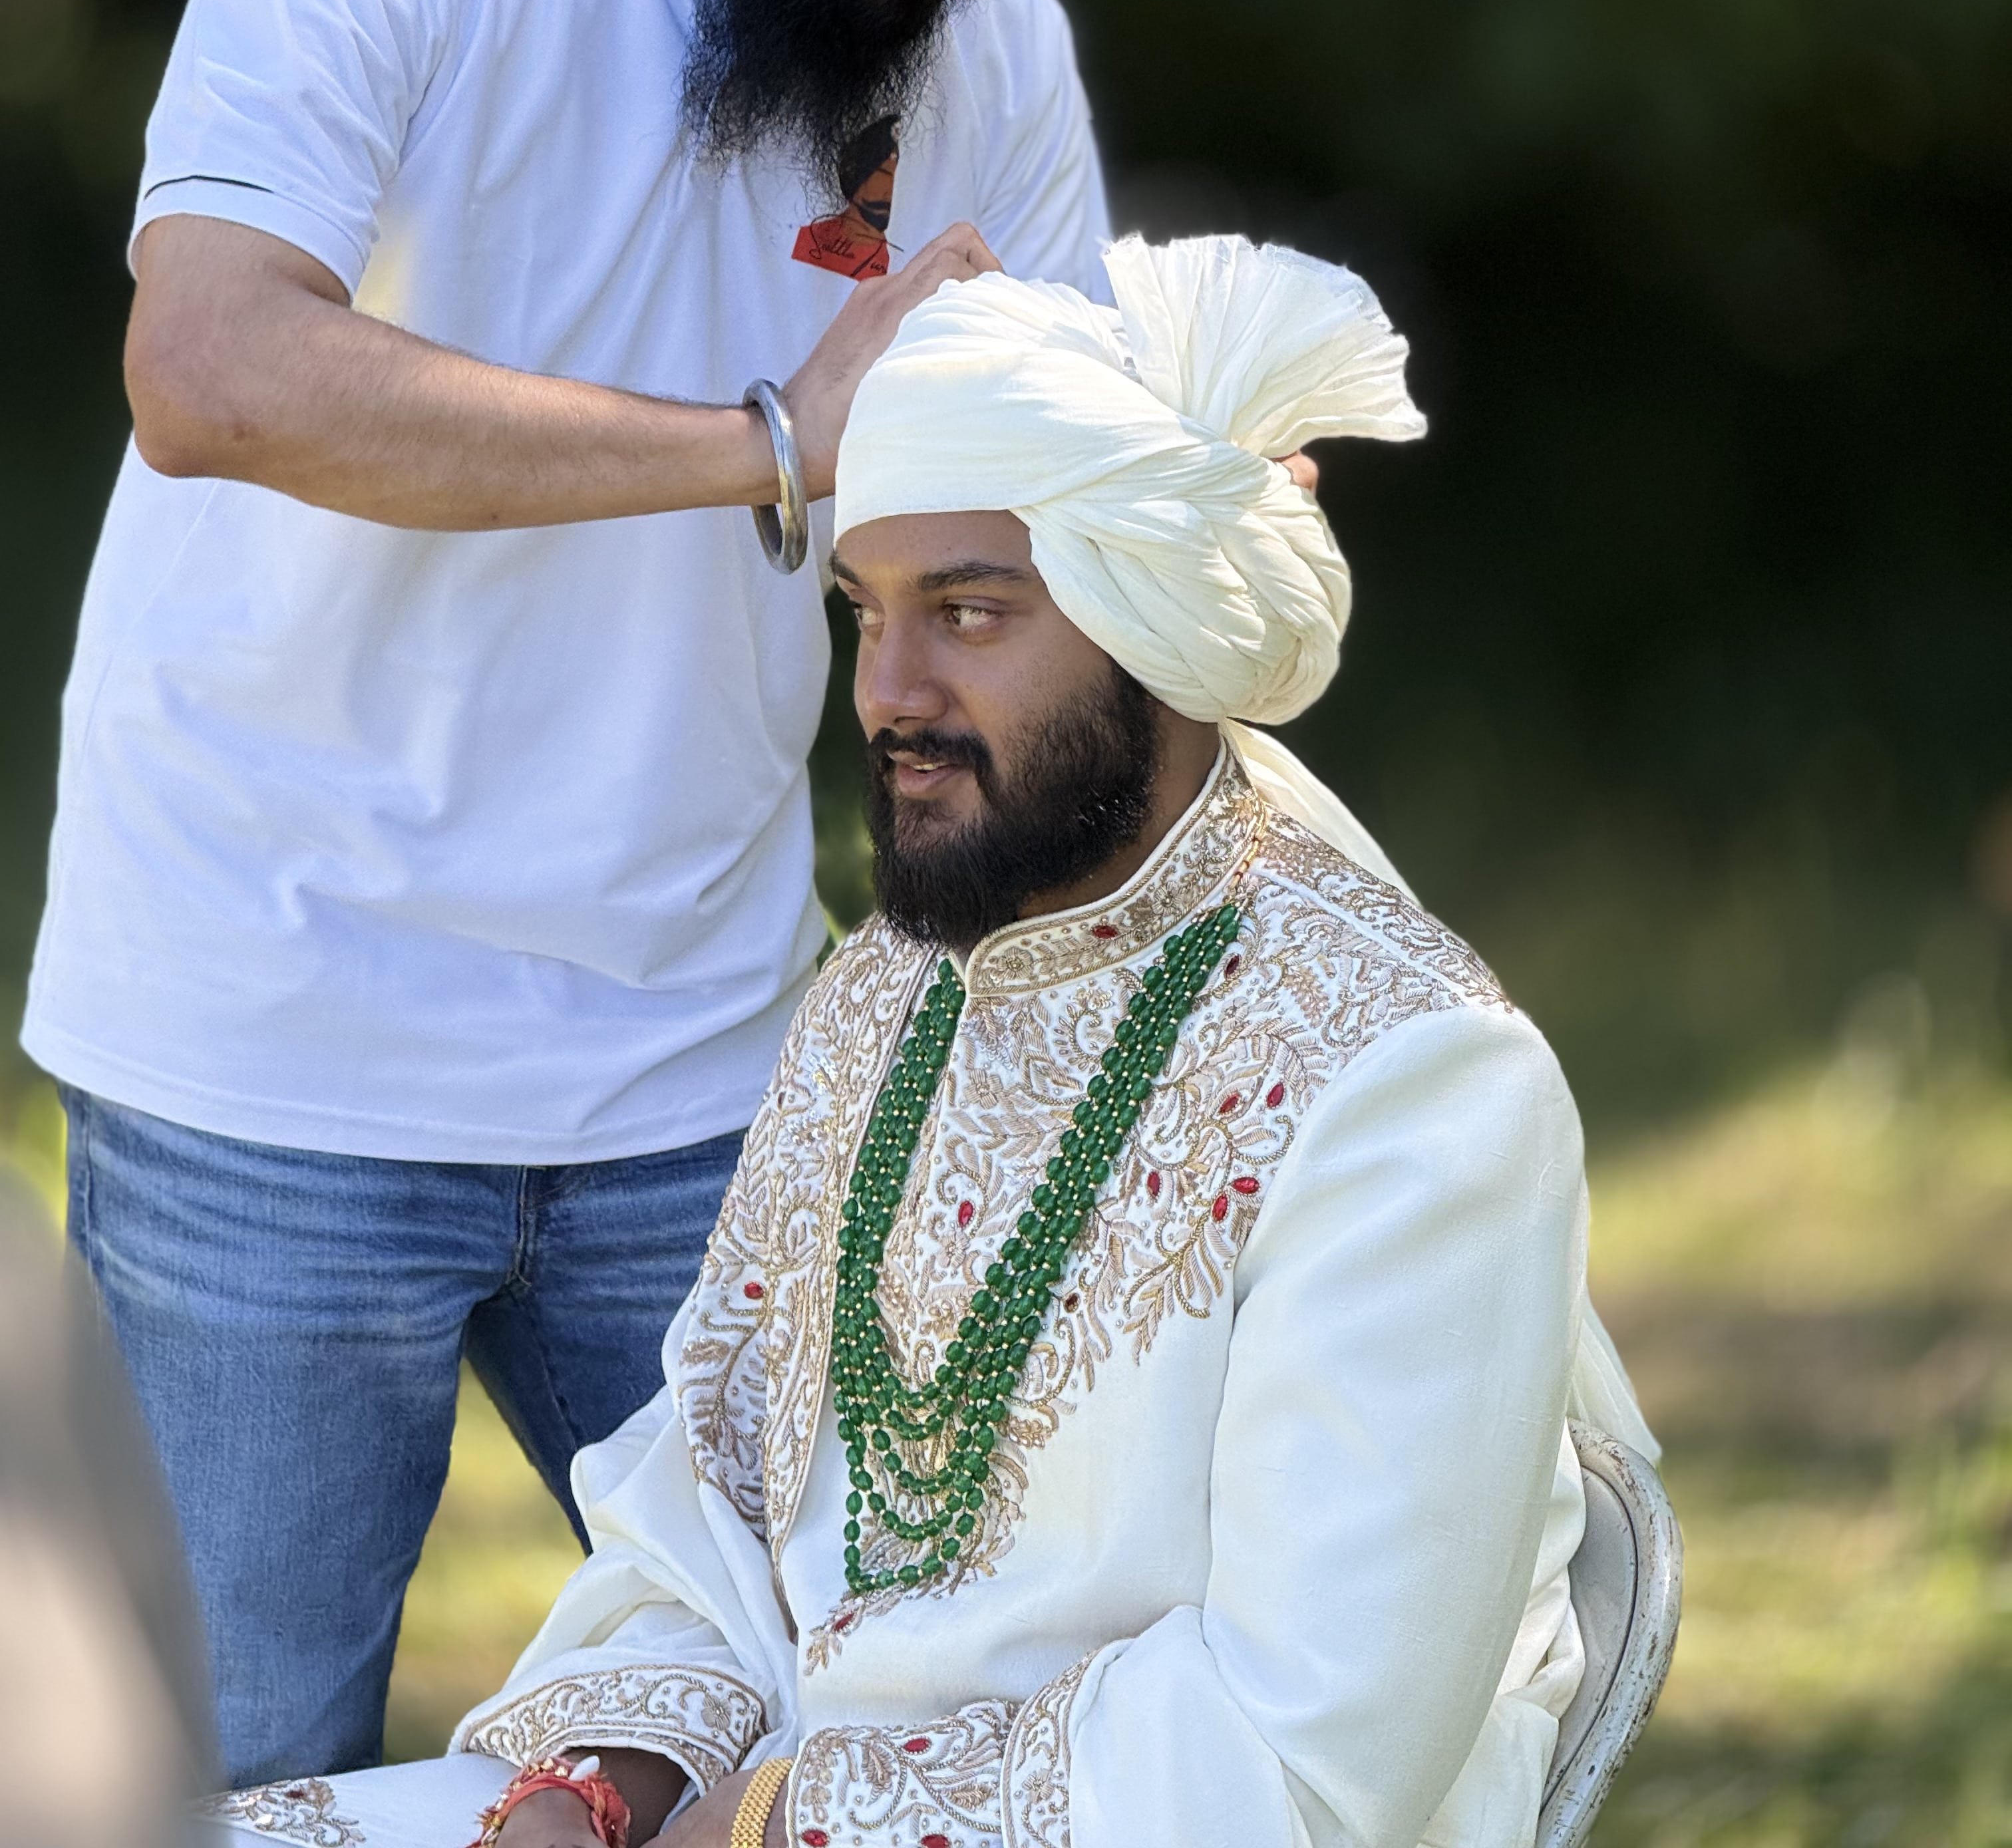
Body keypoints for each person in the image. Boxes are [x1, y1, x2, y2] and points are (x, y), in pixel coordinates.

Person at [18, 0, 1297, 1788]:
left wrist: (1180, 525)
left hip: (716, 1063)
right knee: (225, 1781)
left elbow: (1019, 521)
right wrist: (766, 445)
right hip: (274, 1042)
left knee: (891, 1742)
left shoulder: (980, 46)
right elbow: (207, 370)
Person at [204, 233, 1655, 1848]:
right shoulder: (886, 994)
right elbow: (714, 1499)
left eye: (969, 613)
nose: (888, 691)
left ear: (1152, 620)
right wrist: (606, 1786)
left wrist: (769, 1825)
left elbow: (1298, 1762)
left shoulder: (1414, 1082)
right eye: (865, 610)